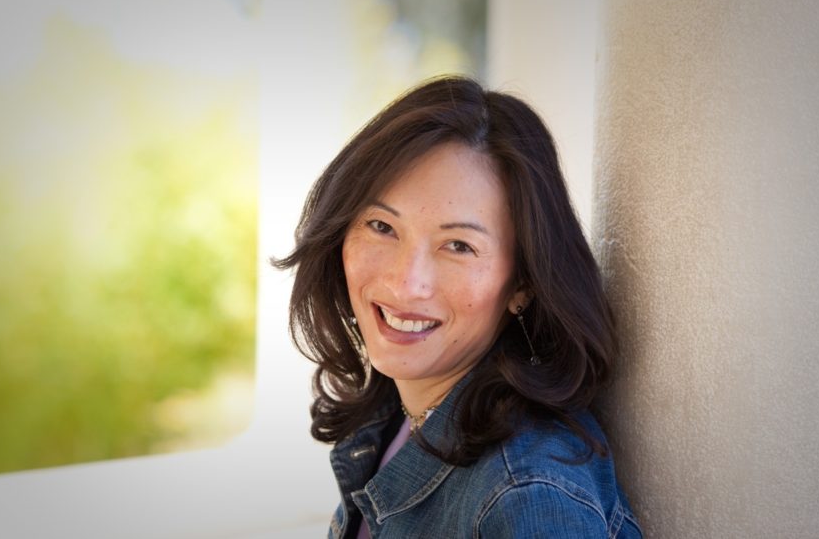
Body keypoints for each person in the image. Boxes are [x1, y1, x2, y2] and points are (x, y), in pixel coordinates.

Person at [273, 76, 642, 538]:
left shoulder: (527, 493)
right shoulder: (398, 411)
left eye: (458, 246)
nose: (406, 283)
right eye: (382, 226)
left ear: (522, 284)